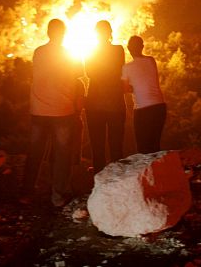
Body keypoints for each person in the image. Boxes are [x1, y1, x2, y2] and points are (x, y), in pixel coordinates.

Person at [22, 19, 83, 207]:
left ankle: (26, 193)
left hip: (38, 109)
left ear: (48, 33)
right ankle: (58, 196)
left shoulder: (38, 52)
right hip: (62, 110)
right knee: (62, 154)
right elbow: (79, 75)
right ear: (63, 33)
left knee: (34, 152)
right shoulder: (70, 55)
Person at [83, 20, 125, 173]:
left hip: (94, 103)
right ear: (110, 33)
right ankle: (118, 179)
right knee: (116, 145)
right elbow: (120, 71)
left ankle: (99, 179)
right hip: (114, 101)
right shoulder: (118, 50)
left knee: (97, 144)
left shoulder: (89, 51)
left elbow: (89, 73)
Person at [121, 36, 167, 153]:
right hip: (159, 107)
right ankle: (157, 170)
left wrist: (131, 87)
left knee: (143, 149)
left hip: (143, 110)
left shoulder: (126, 68)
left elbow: (124, 88)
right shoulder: (151, 61)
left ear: (129, 49)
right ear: (142, 47)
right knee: (155, 146)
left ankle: (146, 171)